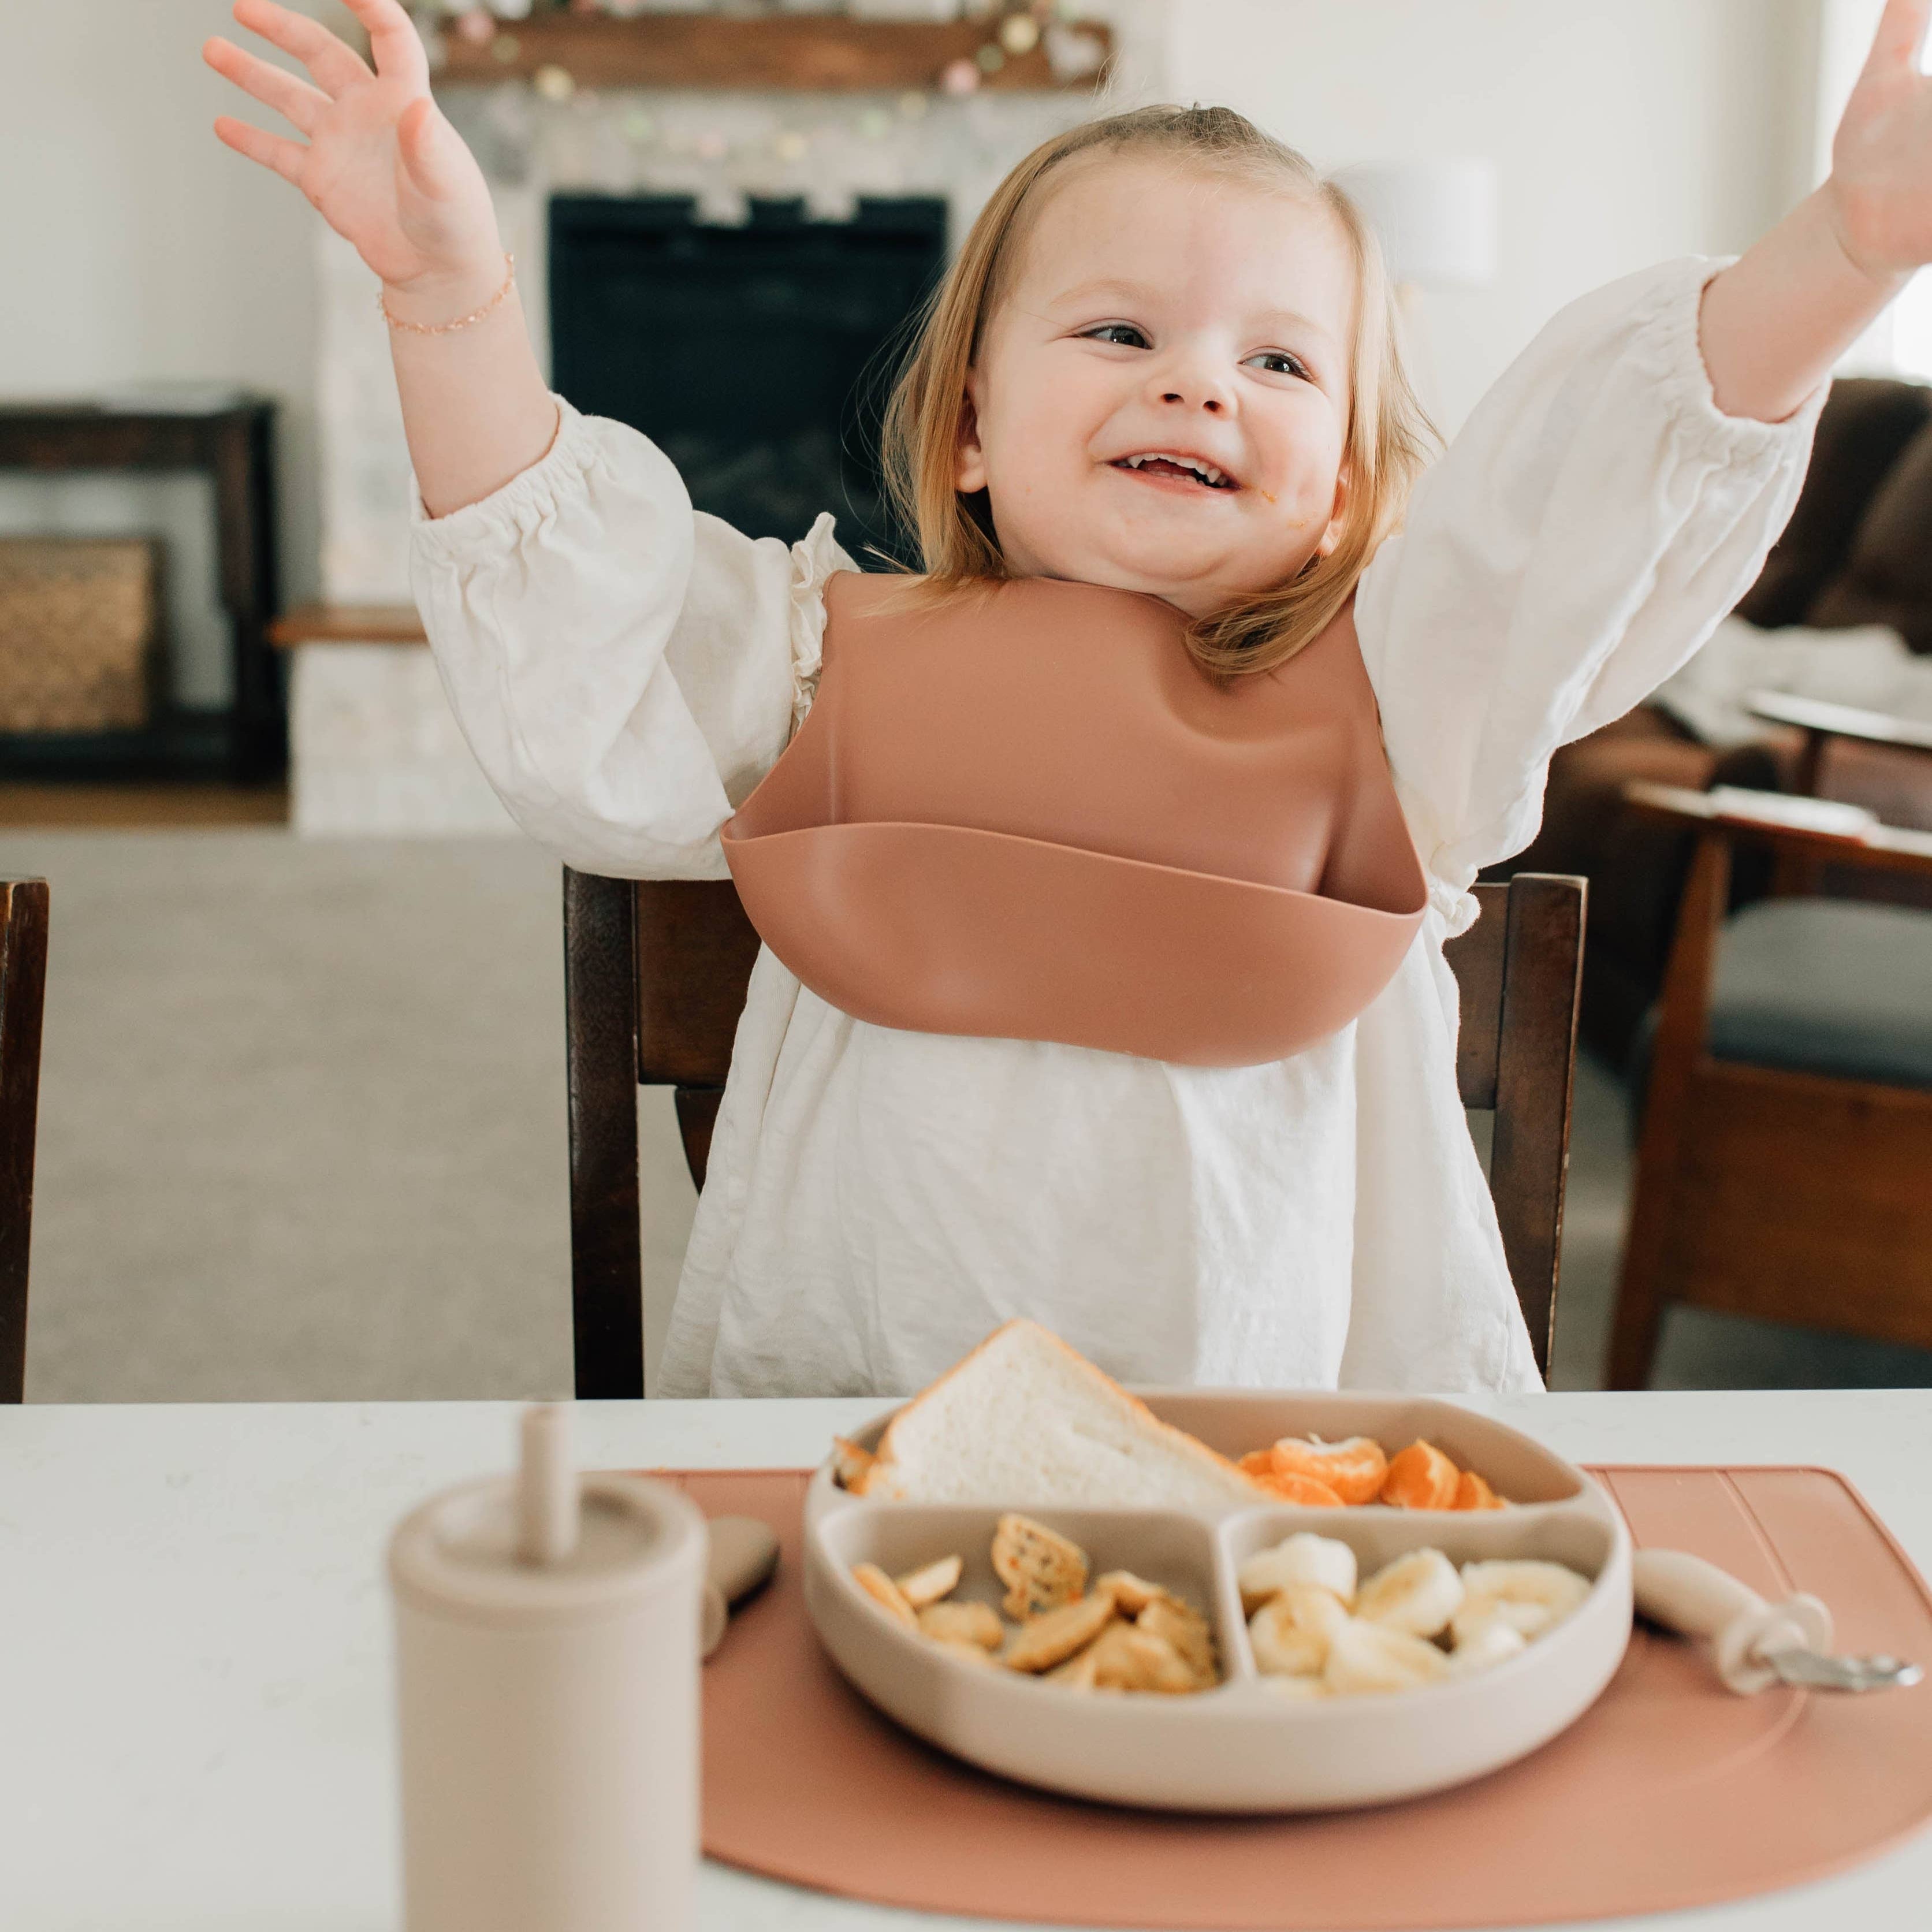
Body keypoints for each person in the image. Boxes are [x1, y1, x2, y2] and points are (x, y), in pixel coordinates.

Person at [207, 0, 1932, 1398]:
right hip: (864, 1425)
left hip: (1277, 1455)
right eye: (1118, 332)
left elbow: (1585, 491)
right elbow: (583, 616)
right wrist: (448, 297)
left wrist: (1839, 255)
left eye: (1277, 359)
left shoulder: (1410, 686)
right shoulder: (821, 652)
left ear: (1339, 484)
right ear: (964, 427)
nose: (1197, 373)